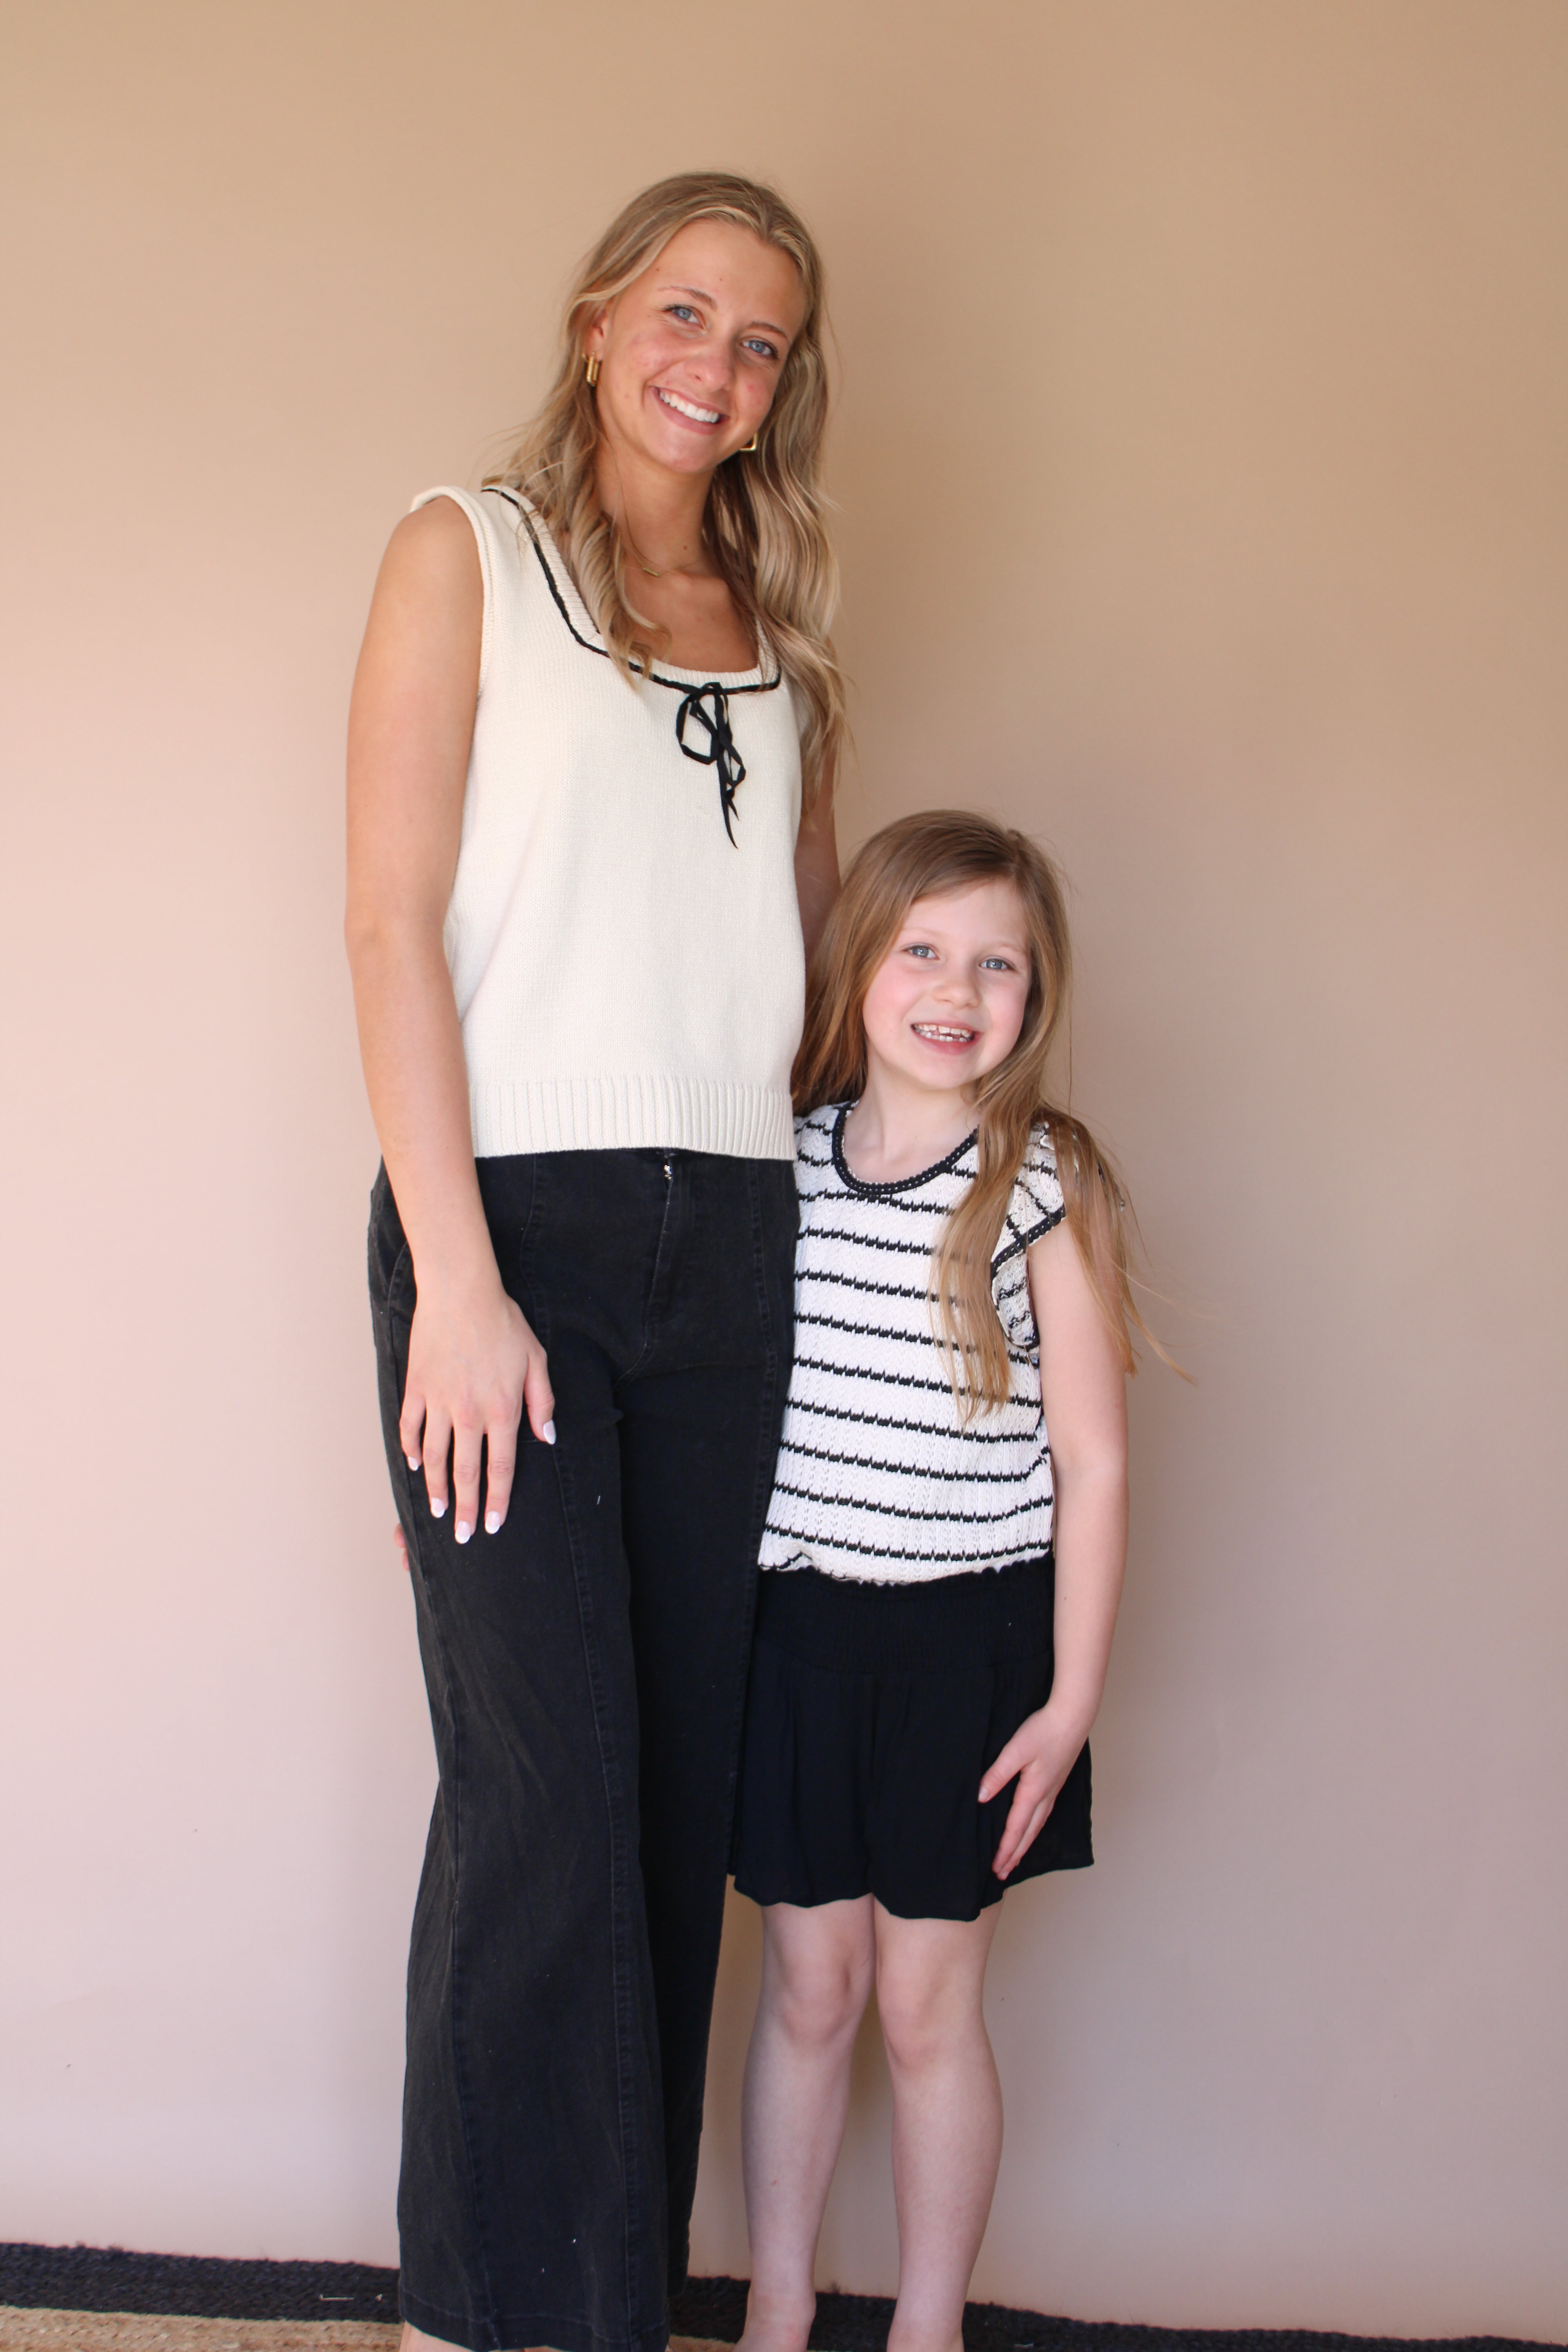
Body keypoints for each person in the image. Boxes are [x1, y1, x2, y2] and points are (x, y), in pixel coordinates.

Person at [345, 174, 844, 2352]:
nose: (714, 365)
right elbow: (387, 923)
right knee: (542, 1800)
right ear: (598, 319)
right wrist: (455, 1288)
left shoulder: (787, 640)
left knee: (662, 1796)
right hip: (513, 1232)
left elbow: (799, 986)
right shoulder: (462, 550)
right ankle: (485, 2316)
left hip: (732, 1243)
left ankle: (602, 2308)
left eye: (760, 341)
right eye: (685, 311)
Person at [731, 811, 1160, 2352]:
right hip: (796, 1641)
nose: (955, 991)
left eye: (997, 965)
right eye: (921, 949)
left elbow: (1093, 1463)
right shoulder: (779, 1162)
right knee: (809, 1991)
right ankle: (777, 2304)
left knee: (924, 2007)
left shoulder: (1040, 1179)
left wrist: (1070, 1702)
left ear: (1034, 997)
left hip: (966, 1651)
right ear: (858, 962)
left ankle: (928, 2329)